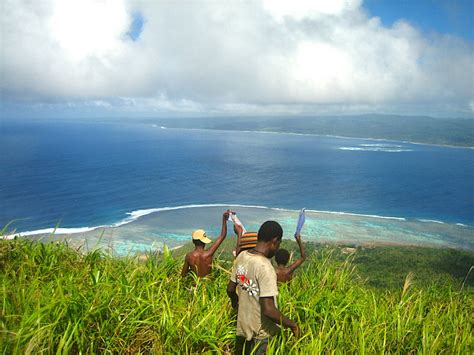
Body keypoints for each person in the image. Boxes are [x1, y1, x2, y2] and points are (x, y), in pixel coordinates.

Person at [227, 221, 299, 354]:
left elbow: (230, 290)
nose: (277, 248)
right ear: (275, 241)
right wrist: (292, 325)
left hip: (242, 330)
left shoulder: (242, 257)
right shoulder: (265, 268)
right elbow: (268, 310)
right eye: (279, 244)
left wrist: (237, 305)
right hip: (261, 336)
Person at [181, 210, 229, 278]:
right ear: (204, 242)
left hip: (195, 286)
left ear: (193, 241)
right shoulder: (208, 253)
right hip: (208, 286)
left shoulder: (189, 256)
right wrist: (224, 219)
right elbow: (222, 236)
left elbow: (183, 274)